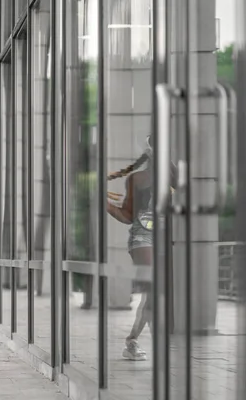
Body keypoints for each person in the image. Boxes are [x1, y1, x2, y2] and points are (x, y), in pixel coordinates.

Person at [106, 136, 157, 361]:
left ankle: (135, 340)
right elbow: (127, 216)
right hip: (143, 237)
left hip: (168, 238)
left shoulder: (174, 176)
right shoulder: (137, 179)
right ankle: (132, 341)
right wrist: (104, 203)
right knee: (152, 289)